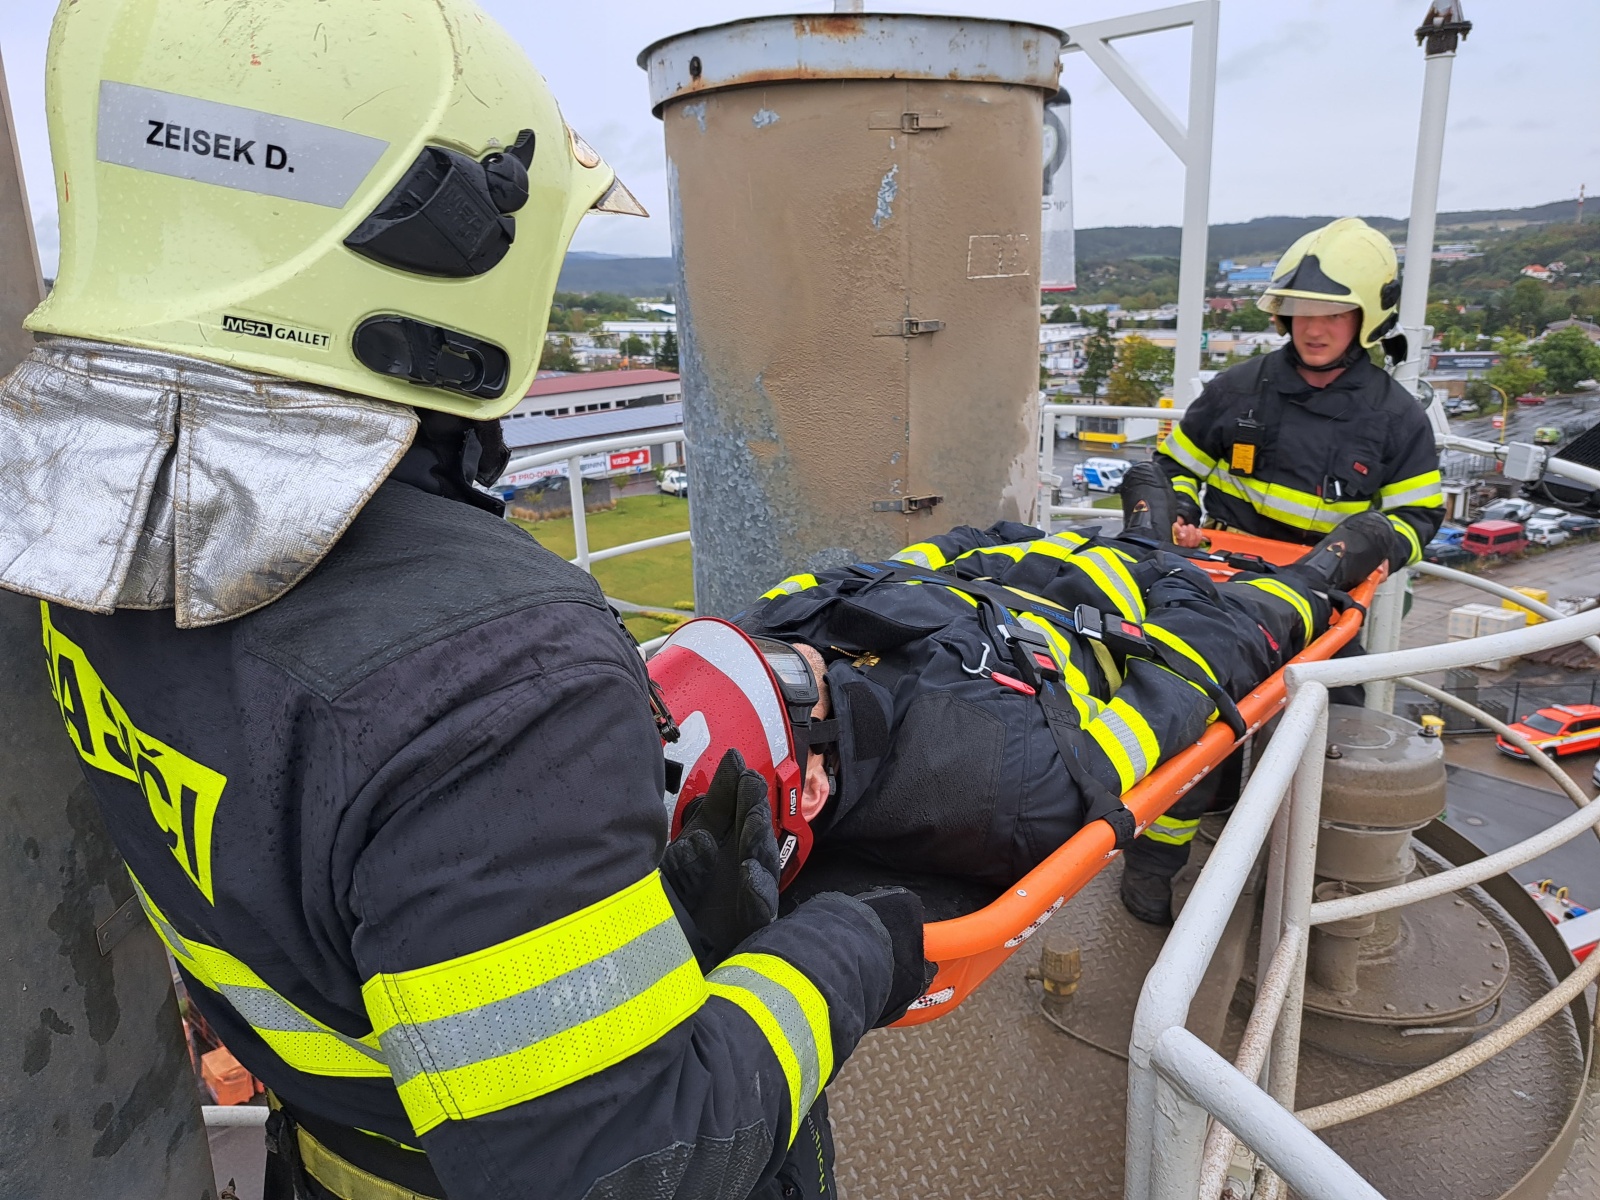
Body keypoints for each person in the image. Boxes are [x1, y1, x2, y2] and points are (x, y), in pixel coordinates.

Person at [3, 3, 922, 1198]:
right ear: (449, 241)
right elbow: (629, 1166)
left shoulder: (73, 539)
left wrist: (629, 920)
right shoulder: (500, 672)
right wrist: (844, 954)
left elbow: (325, 862)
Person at [648, 468, 1391, 916]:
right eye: (783, 677)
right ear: (807, 789)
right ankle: (1314, 562)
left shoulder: (768, 633)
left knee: (1141, 521)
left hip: (1019, 567)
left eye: (758, 649)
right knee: (1273, 608)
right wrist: (1209, 594)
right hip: (1140, 607)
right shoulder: (1006, 789)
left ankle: (1145, 523)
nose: (792, 648)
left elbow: (885, 568)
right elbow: (1185, 676)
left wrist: (997, 540)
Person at [1128, 216, 1446, 920]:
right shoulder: (1238, 390)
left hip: (1324, 616)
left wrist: (1359, 547)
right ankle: (1154, 863)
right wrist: (1169, 511)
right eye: (1300, 311)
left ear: (1366, 318)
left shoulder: (1397, 420)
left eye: (1332, 312)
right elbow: (1172, 468)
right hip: (1221, 598)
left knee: (1312, 753)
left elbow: (1419, 519)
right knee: (1187, 730)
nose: (1313, 327)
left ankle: (1293, 880)